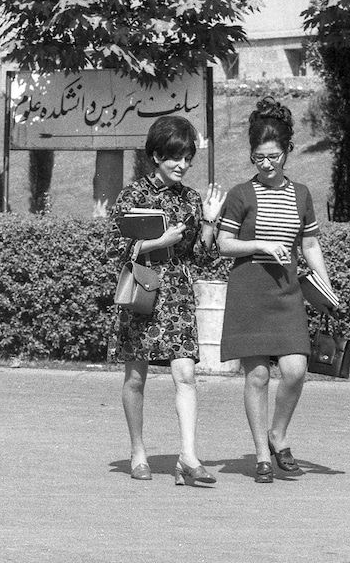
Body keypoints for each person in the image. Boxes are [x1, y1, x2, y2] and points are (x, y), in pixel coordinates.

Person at [217, 96, 335, 483]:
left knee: (296, 370)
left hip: (287, 292)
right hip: (249, 290)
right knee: (257, 377)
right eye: (258, 157)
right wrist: (260, 246)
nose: (266, 164)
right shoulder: (239, 194)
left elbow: (311, 245)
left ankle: (277, 434)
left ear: (288, 151)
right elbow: (223, 244)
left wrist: (327, 288)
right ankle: (261, 454)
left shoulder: (301, 194)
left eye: (273, 156)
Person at [106, 115, 226, 486]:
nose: (182, 165)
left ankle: (187, 457)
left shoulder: (190, 199)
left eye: (188, 158)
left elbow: (204, 260)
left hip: (177, 295)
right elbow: (112, 249)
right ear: (156, 155)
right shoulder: (131, 197)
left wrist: (208, 223)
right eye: (176, 157)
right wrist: (160, 242)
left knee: (186, 373)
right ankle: (138, 451)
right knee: (136, 377)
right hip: (143, 290)